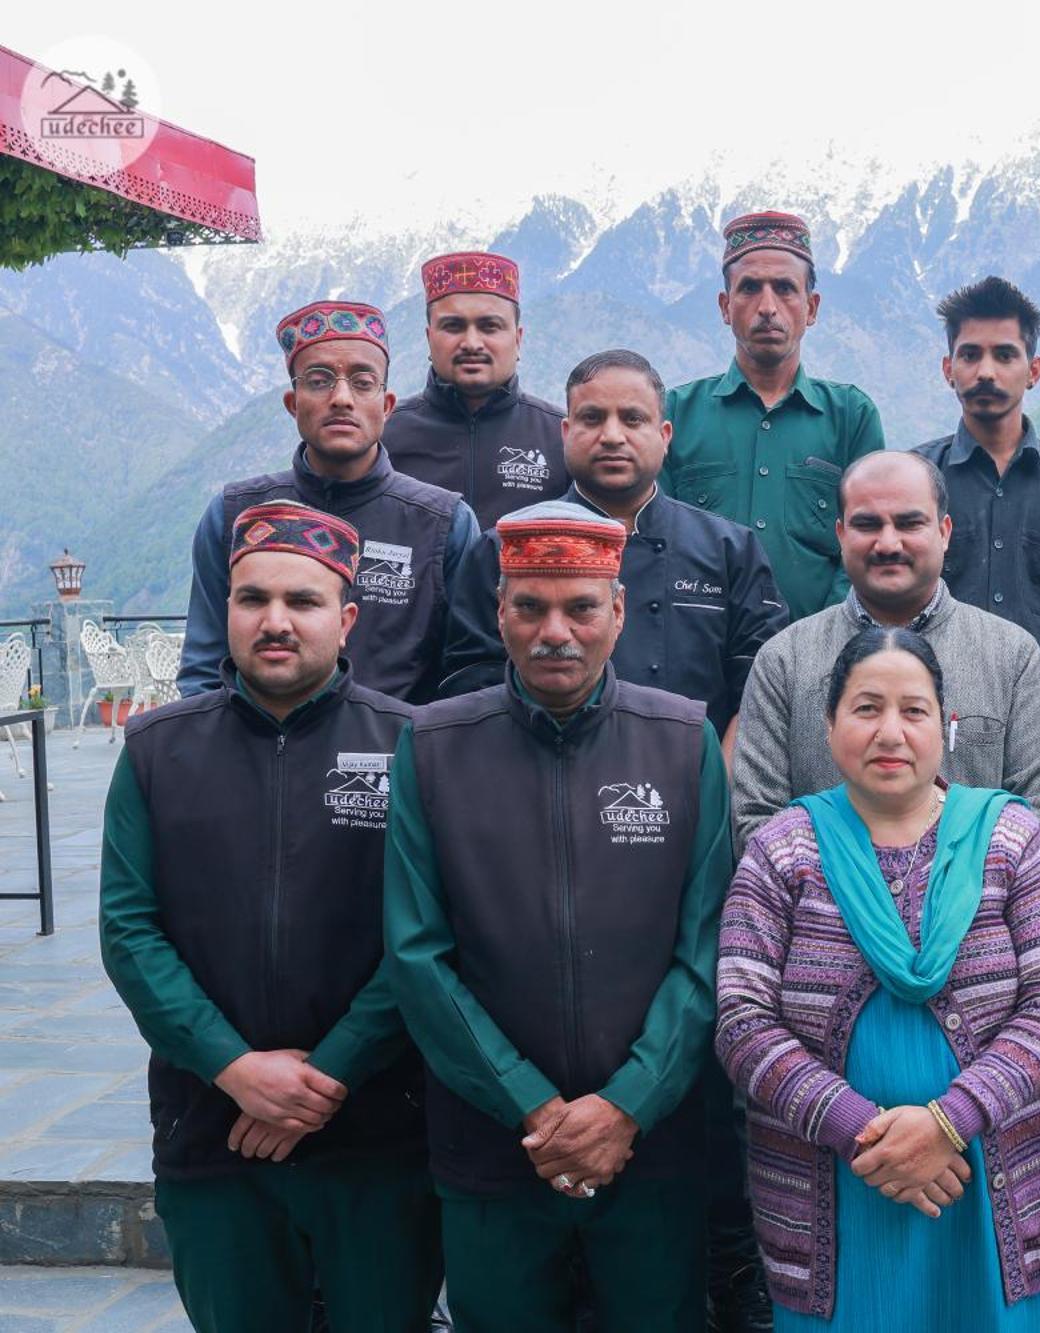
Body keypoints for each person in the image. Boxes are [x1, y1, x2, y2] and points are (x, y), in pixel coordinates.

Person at [383, 502, 732, 1331]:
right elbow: (417, 954)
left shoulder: (682, 741)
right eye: (531, 606)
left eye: (580, 606)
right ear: (498, 609)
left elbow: (709, 946)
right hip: (495, 1151)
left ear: (616, 609)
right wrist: (535, 1108)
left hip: (653, 1150)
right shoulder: (432, 746)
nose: (555, 632)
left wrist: (627, 1106)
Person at [102, 502, 439, 1330]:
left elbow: (427, 935)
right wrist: (234, 1068)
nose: (275, 621)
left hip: (375, 1131)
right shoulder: (156, 751)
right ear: (225, 610)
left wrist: (324, 1076)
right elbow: (130, 931)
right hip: (212, 1125)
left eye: (303, 600)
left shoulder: (418, 747)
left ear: (348, 617)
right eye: (253, 599)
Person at [715, 627, 1040, 1331]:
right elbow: (741, 1018)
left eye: (913, 710)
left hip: (988, 1182)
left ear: (945, 725)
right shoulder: (781, 849)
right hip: (837, 1185)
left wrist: (949, 1121)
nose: (890, 731)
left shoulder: (1012, 839)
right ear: (828, 726)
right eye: (866, 708)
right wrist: (861, 1130)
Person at [441, 348, 788, 751]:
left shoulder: (730, 548)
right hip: (538, 775)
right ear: (566, 433)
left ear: (665, 436)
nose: (612, 436)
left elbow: (763, 681)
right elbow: (470, 683)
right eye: (592, 418)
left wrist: (720, 778)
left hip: (693, 780)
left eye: (633, 418)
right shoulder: (505, 546)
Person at [731, 451, 1040, 850]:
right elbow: (756, 818)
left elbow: (1036, 814)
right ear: (840, 535)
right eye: (867, 525)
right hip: (818, 909)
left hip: (976, 909)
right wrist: (838, 901)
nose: (888, 543)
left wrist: (949, 898)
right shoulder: (785, 660)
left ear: (944, 531)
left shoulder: (1012, 656)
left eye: (909, 523)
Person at [180, 300, 478, 703]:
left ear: (386, 406)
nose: (341, 398)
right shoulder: (234, 515)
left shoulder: (443, 523)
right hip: (255, 756)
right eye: (319, 380)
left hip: (402, 756)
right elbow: (204, 670)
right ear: (293, 403)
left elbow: (469, 674)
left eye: (362, 381)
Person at [663, 211, 885, 619]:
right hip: (698, 659)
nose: (767, 306)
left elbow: (869, 544)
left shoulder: (851, 417)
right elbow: (657, 541)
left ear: (811, 307)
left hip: (820, 661)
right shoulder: (674, 414)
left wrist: (824, 637)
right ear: (725, 306)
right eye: (750, 288)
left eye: (784, 288)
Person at [912, 275, 1040, 692]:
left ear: (1033, 370)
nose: (985, 372)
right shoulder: (915, 477)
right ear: (949, 369)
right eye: (970, 355)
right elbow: (895, 601)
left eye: (1004, 355)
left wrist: (1023, 698)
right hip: (930, 710)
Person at [382, 250, 570, 528]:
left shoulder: (562, 438)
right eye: (453, 326)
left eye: (489, 327)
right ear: (429, 338)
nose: (472, 343)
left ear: (517, 339)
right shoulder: (385, 435)